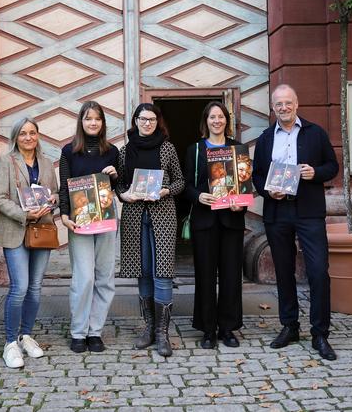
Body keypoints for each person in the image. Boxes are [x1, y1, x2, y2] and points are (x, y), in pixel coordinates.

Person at [252, 84, 340, 361]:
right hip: (278, 212)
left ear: (297, 104)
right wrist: (267, 191)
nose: (284, 108)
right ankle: (289, 326)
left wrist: (315, 173)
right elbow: (256, 176)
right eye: (278, 104)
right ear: (273, 108)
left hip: (309, 212)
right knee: (283, 271)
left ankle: (320, 333)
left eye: (288, 103)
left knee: (317, 271)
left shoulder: (315, 133)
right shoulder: (266, 138)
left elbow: (333, 166)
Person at [117, 103, 184, 357]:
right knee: (143, 271)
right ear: (135, 120)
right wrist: (125, 195)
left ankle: (162, 333)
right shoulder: (125, 151)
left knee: (162, 272)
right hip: (135, 216)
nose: (147, 123)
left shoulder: (167, 148)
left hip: (163, 214)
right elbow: (121, 185)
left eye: (152, 119)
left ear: (158, 122)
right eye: (143, 119)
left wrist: (167, 190)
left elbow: (180, 181)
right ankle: (148, 327)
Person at [0, 117, 59, 369]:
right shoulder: (5, 161)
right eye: (23, 133)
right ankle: (10, 343)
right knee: (19, 287)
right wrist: (24, 213)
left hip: (41, 229)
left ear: (38, 135)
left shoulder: (45, 163)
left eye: (32, 133)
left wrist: (53, 199)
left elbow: (56, 194)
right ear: (15, 137)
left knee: (35, 287)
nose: (28, 137)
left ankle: (26, 335)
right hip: (15, 230)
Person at [183, 101, 247, 349]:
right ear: (205, 121)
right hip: (205, 220)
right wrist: (198, 196)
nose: (217, 121)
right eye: (212, 117)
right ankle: (208, 329)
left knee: (231, 276)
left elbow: (244, 183)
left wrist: (240, 203)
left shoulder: (237, 149)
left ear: (226, 121)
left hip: (231, 220)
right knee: (205, 276)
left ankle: (228, 328)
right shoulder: (195, 150)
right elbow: (185, 185)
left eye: (221, 117)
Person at [58, 101, 120, 354]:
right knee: (84, 278)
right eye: (88, 118)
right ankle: (78, 332)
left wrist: (115, 175)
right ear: (81, 122)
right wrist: (63, 214)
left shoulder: (113, 151)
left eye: (97, 119)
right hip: (79, 219)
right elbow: (64, 185)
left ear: (103, 123)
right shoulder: (69, 151)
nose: (93, 123)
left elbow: (120, 186)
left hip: (106, 219)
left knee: (104, 277)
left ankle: (95, 331)